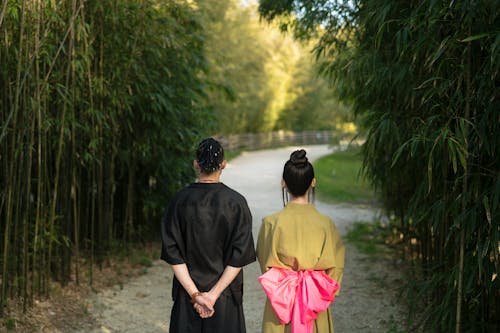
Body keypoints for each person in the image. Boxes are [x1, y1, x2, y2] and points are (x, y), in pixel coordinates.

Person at [161, 137, 256, 333]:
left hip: (187, 298)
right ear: (223, 164)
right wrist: (213, 295)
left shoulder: (179, 201)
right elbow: (238, 257)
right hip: (225, 299)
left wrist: (196, 295)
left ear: (196, 164)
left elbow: (173, 253)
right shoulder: (236, 203)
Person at [256, 149, 345, 333]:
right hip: (314, 307)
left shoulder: (270, 223)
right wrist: (316, 294)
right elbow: (336, 268)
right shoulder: (326, 224)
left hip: (280, 307)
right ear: (313, 183)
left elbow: (265, 263)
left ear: (283, 184)